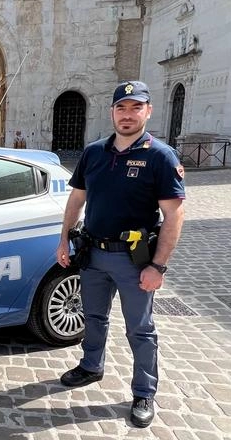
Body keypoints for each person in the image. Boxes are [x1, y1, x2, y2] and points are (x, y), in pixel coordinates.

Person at [55, 81, 185, 428]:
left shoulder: (160, 156)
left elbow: (174, 215)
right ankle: (91, 366)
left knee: (140, 330)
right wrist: (63, 239)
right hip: (93, 255)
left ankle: (144, 391)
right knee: (93, 318)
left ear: (148, 111)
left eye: (135, 108)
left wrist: (158, 265)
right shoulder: (94, 152)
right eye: (121, 108)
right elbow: (76, 199)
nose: (127, 115)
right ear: (112, 112)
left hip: (134, 260)